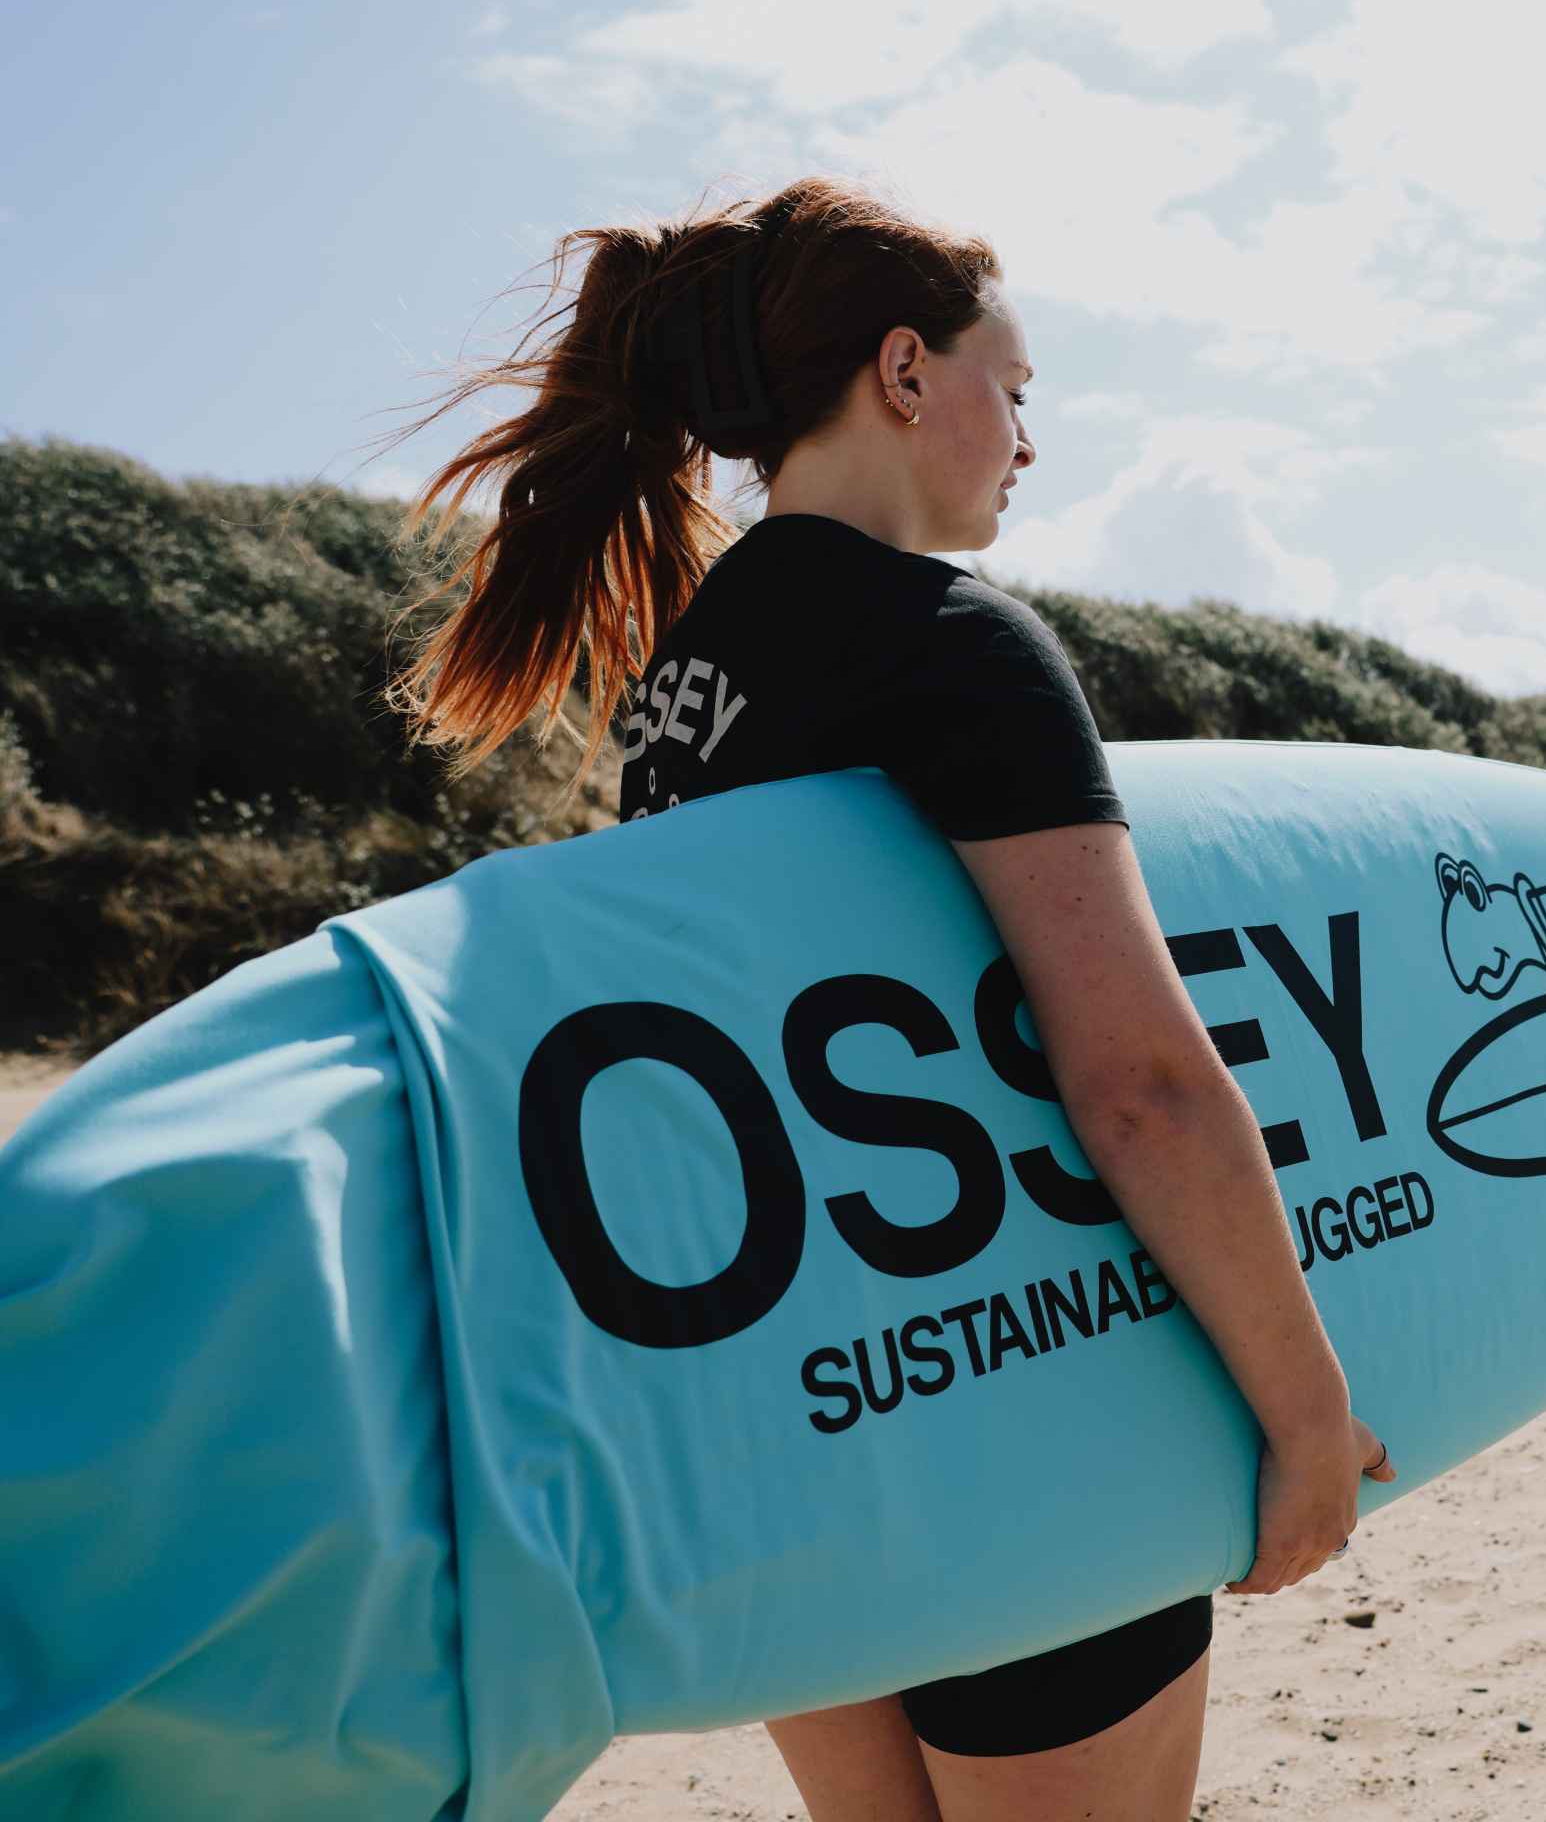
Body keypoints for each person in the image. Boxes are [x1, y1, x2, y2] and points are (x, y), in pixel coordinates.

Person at [376, 172, 1397, 1822]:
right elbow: (1137, 1076)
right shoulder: (954, 646)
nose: (1029, 438)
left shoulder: (681, 684)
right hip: (1011, 1413)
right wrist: (1304, 1412)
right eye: (1016, 386)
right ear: (908, 372)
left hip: (792, 1434)